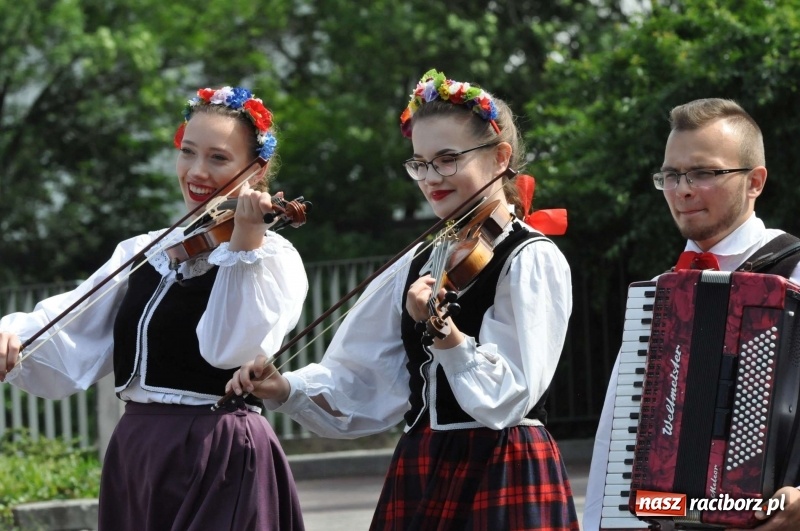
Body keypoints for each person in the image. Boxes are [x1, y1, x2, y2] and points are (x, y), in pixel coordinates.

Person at [227, 69, 579, 530]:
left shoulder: (531, 257)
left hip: (503, 464)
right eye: (420, 163)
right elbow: (363, 378)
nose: (431, 177)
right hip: (423, 462)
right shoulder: (417, 261)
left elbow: (509, 394)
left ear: (499, 158)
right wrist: (285, 388)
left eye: (447, 159)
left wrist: (445, 334)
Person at [0, 86, 308, 531]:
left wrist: (244, 240)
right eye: (188, 152)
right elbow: (70, 323)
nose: (197, 171)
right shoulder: (146, 250)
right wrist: (15, 336)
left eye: (219, 158)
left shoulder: (271, 259)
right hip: (138, 449)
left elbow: (229, 349)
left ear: (256, 171)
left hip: (218, 451)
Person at [583, 98, 800, 531]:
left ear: (755, 182)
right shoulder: (661, 298)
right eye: (671, 174)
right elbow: (615, 439)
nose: (681, 189)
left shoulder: (795, 270)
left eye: (703, 173)